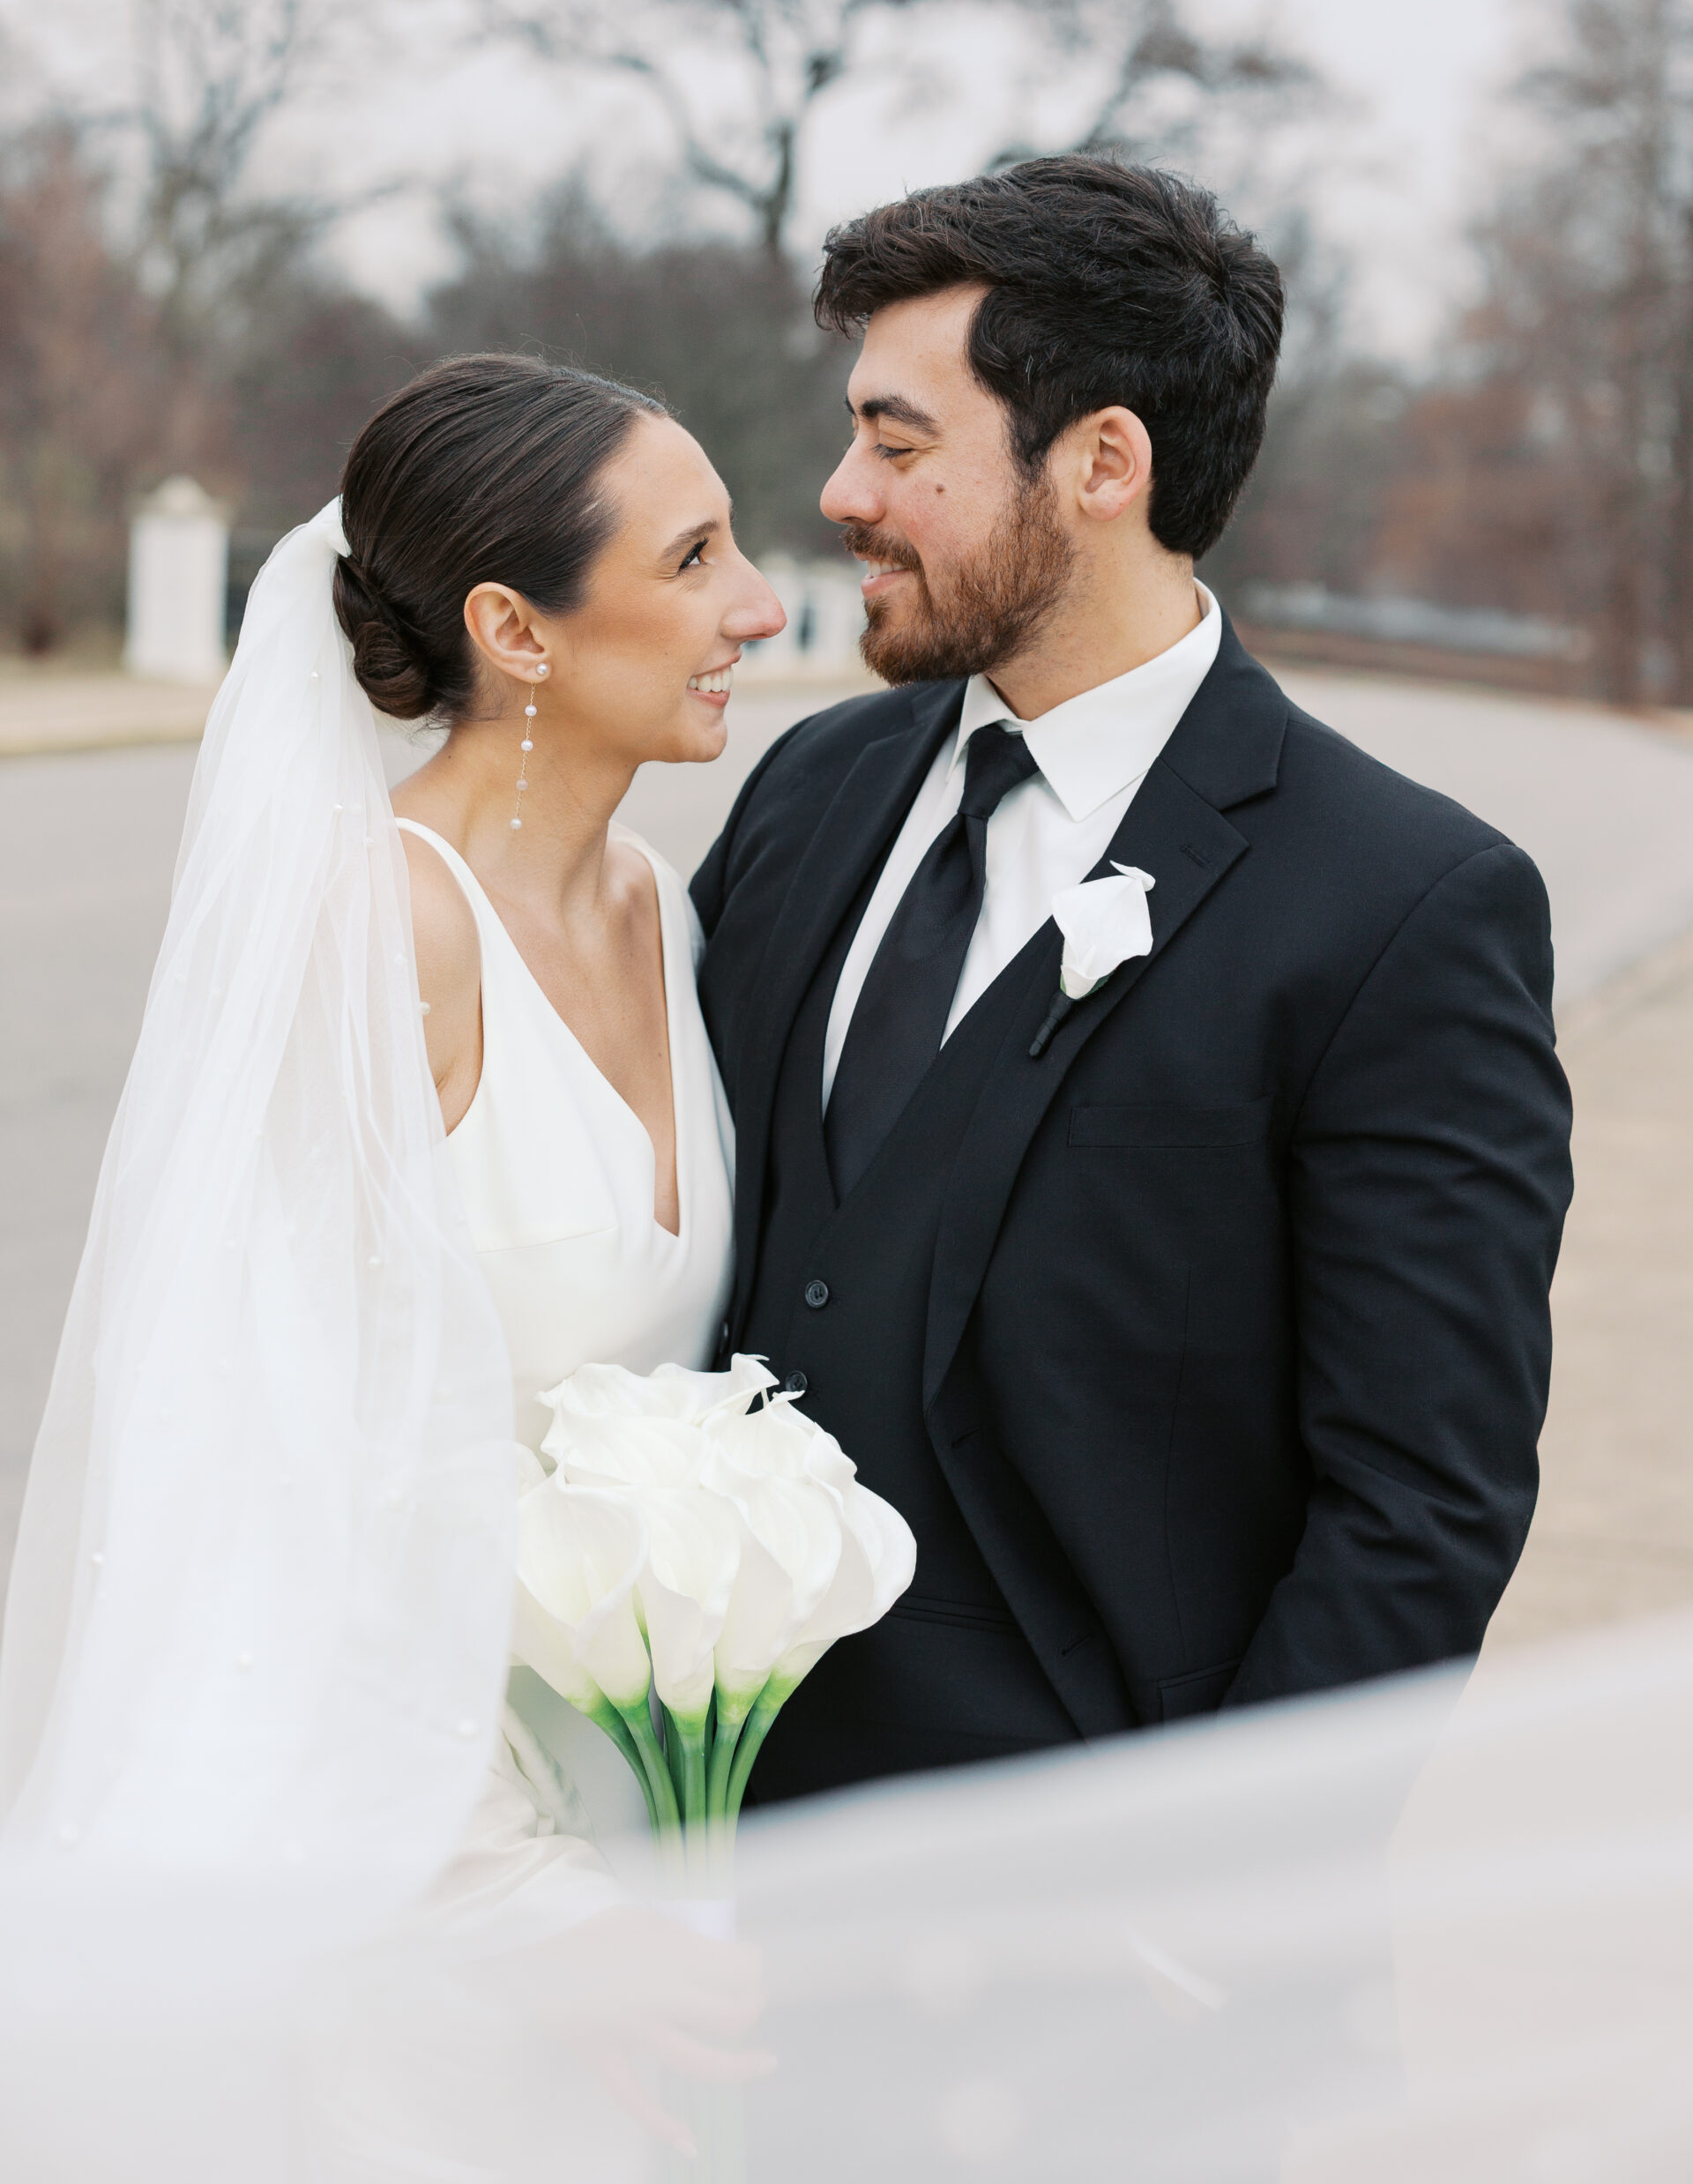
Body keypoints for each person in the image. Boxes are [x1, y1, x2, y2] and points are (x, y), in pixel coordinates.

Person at [691, 156, 1576, 1805]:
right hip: (708, 1871)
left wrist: (1204, 1897)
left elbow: (1421, 1497)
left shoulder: (1407, 906)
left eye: (899, 441)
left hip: (1101, 1933)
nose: (839, 493)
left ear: (1104, 460)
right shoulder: (808, 794)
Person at [0, 353, 781, 2166]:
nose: (754, 604)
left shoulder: (653, 901)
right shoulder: (377, 925)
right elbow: (259, 1485)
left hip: (632, 1834)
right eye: (692, 560)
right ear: (515, 626)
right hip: (400, 1884)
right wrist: (522, 1910)